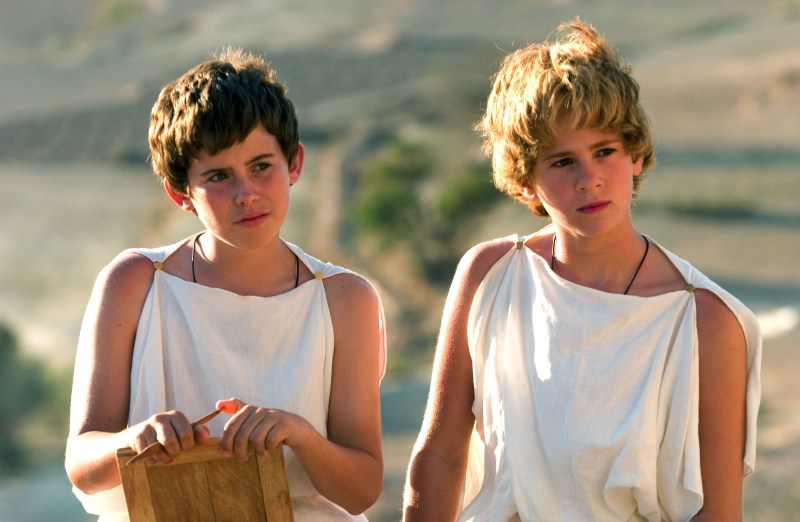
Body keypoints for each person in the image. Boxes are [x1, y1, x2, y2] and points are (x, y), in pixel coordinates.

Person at [403, 19, 761, 522]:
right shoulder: (491, 274)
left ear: (635, 155)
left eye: (605, 152)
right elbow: (438, 457)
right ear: (526, 181)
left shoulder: (704, 320)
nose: (589, 179)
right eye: (562, 162)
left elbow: (718, 514)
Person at [65, 48, 386, 521]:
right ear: (182, 194)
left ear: (294, 163)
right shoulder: (134, 283)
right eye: (218, 176)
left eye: (261, 166)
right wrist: (134, 441)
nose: (246, 193)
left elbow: (361, 490)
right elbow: (81, 463)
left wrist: (298, 433)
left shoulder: (345, 299)